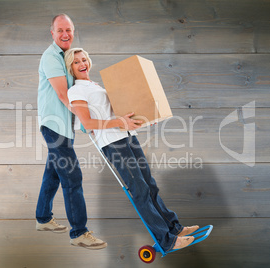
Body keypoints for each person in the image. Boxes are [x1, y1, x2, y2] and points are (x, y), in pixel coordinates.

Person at [65, 48, 199, 252]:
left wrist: (146, 116)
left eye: (84, 59)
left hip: (127, 137)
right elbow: (87, 121)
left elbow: (120, 110)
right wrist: (119, 122)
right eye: (76, 62)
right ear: (70, 67)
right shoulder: (76, 90)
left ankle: (174, 228)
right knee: (140, 190)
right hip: (112, 143)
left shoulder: (95, 85)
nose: (82, 64)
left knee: (150, 185)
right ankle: (166, 240)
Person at [36, 14, 107, 250]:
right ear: (52, 33)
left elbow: (78, 88)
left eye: (69, 30)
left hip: (64, 126)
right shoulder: (51, 57)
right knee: (72, 176)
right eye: (60, 30)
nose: (65, 34)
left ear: (73, 31)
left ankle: (43, 219)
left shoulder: (66, 57)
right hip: (55, 126)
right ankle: (79, 232)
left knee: (54, 174)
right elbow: (63, 94)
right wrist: (87, 121)